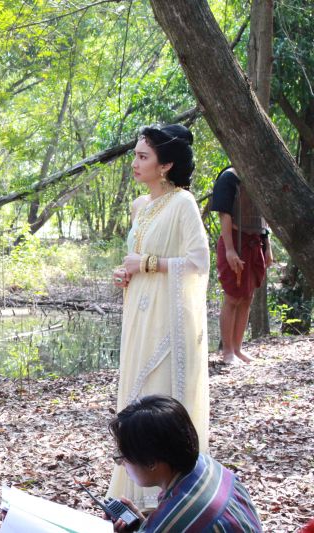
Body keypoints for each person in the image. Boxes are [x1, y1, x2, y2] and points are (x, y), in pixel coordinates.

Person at [109, 125, 209, 510]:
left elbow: (198, 261)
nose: (134, 163)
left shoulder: (183, 203)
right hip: (139, 310)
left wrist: (147, 263)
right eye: (135, 155)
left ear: (165, 165)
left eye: (143, 157)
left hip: (168, 316)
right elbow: (136, 260)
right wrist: (126, 272)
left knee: (158, 391)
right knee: (134, 394)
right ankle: (133, 490)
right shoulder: (140, 206)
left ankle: (164, 496)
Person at [109, 395, 262, 532]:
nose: (121, 463)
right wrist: (145, 525)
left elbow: (178, 523)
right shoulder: (206, 464)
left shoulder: (171, 521)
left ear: (151, 462)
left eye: (123, 456)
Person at [210, 166, 272, 364]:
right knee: (233, 297)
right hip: (235, 241)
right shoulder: (228, 178)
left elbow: (264, 217)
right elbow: (224, 215)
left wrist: (267, 247)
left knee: (247, 297)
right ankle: (227, 351)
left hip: (255, 241)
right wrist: (229, 249)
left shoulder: (259, 177)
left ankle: (238, 349)